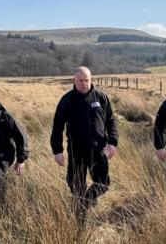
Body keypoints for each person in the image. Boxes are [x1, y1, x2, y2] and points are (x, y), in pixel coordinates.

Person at [50, 66, 118, 218]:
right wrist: (58, 151)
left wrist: (112, 142)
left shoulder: (101, 97)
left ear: (91, 80)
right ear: (74, 80)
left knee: (103, 184)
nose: (83, 83)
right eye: (80, 80)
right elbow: (57, 127)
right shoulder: (67, 100)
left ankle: (86, 202)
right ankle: (80, 218)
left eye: (86, 80)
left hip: (98, 150)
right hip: (76, 152)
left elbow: (111, 121)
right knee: (76, 186)